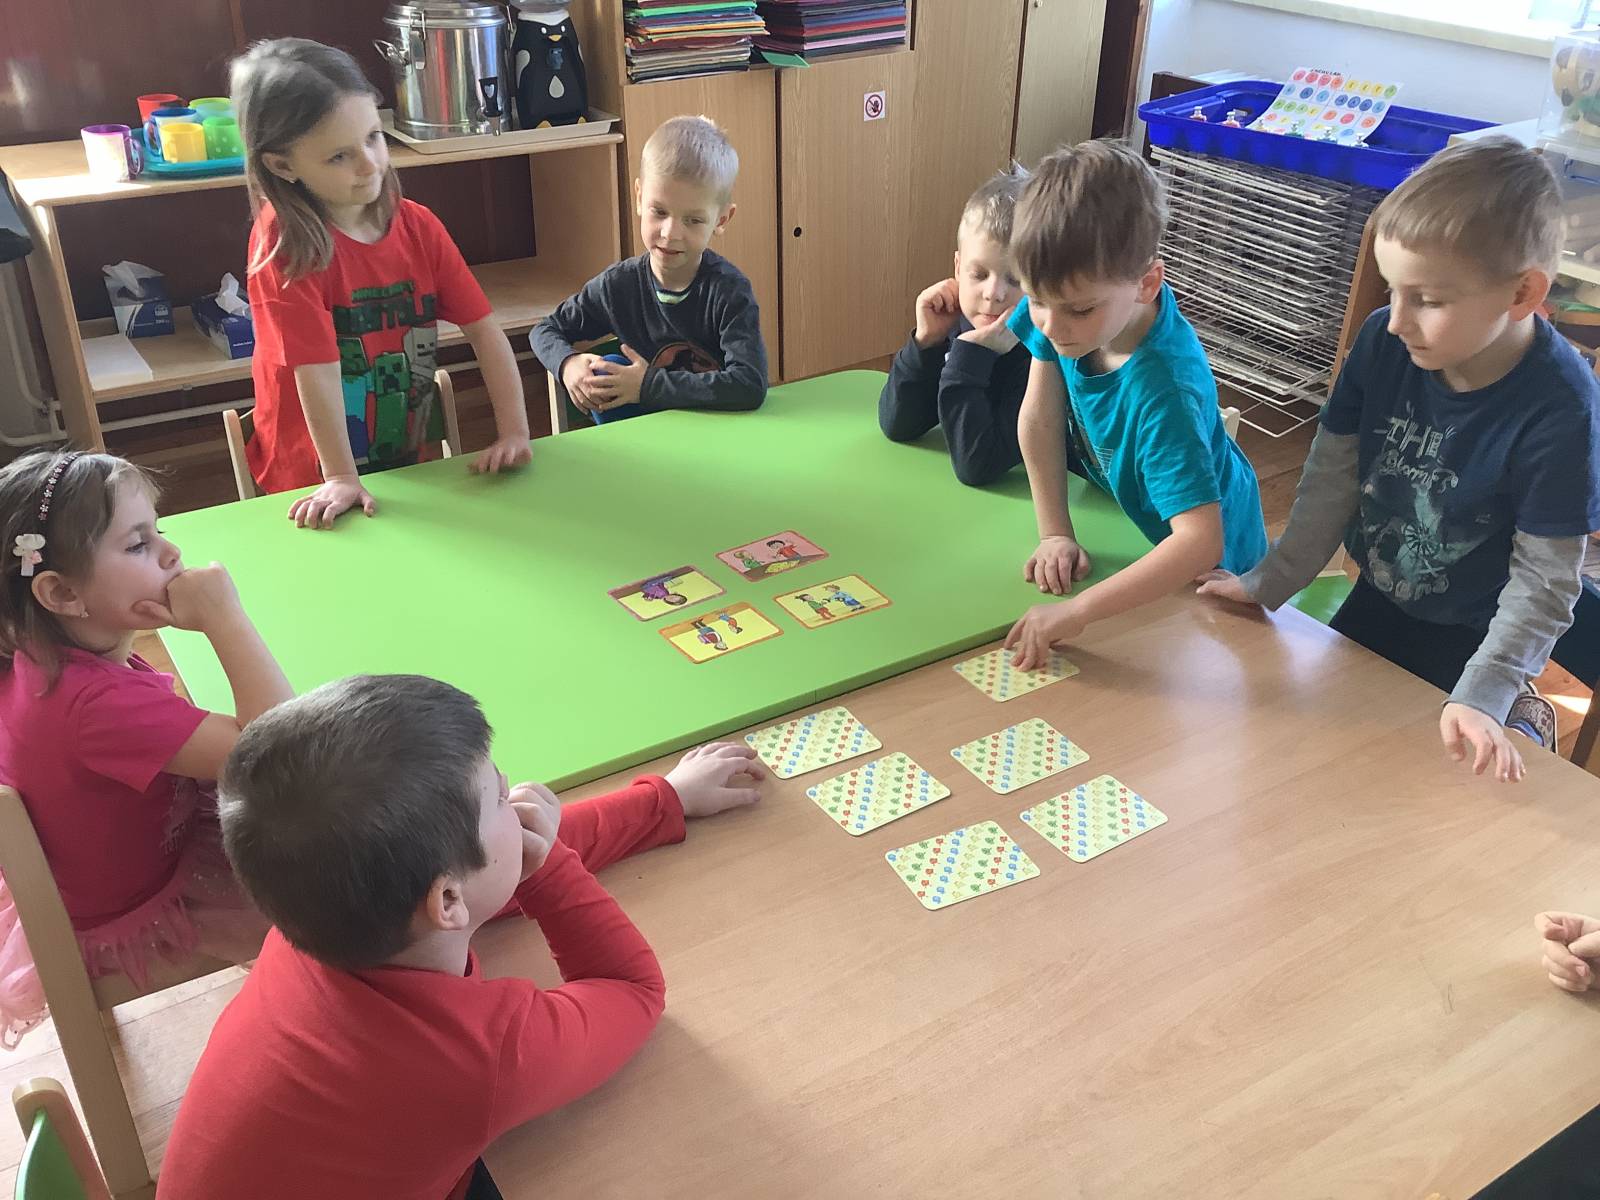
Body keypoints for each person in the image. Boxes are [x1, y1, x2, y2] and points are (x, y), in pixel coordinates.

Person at [159, 674, 765, 1199]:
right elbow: (633, 990)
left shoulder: (314, 909)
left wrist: (665, 801)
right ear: (446, 901)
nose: (517, 795)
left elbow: (486, 870)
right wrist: (550, 868)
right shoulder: (480, 1059)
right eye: (499, 796)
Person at [1198, 138, 1600, 783]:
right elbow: (1331, 477)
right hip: (1380, 592)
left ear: (1523, 293)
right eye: (1393, 290)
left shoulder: (1563, 407)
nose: (1394, 320)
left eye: (1428, 300)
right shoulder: (1384, 342)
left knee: (1432, 786)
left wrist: (1486, 690)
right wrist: (1272, 579)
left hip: (1479, 631)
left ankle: (1520, 709)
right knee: (1316, 758)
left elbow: (1547, 579)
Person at [0, 451, 290, 1048]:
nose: (171, 552)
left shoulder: (38, 657)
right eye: (137, 544)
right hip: (141, 905)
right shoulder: (96, 706)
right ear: (61, 592)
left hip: (88, 875)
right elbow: (281, 752)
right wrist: (226, 619)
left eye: (157, 531)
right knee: (334, 871)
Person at [233, 38, 533, 527]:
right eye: (339, 156)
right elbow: (316, 371)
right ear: (282, 166)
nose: (370, 163)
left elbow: (484, 330)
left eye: (373, 137)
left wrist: (515, 431)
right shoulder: (285, 246)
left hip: (403, 461)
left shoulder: (418, 225)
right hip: (315, 482)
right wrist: (340, 475)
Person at [1002, 140, 1267, 668]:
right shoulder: (1067, 307)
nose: (1050, 325)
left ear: (1147, 284)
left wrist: (1077, 612)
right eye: (1036, 300)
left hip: (1218, 576)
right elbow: (1040, 419)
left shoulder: (1164, 390)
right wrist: (1055, 533)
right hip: (1142, 532)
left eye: (1078, 310)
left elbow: (1199, 542)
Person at [529, 115, 767, 423]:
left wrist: (647, 387)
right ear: (640, 198)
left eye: (693, 220)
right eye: (660, 211)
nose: (670, 233)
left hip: (718, 431)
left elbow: (750, 385)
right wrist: (567, 364)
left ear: (721, 220)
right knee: (604, 371)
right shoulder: (618, 287)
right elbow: (544, 330)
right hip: (645, 438)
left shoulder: (729, 291)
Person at [878, 166, 1032, 486]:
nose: (993, 293)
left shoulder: (1038, 356)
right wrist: (926, 342)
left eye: (1015, 279)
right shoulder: (956, 325)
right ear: (958, 268)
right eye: (979, 275)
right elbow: (898, 425)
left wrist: (970, 356)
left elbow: (977, 465)